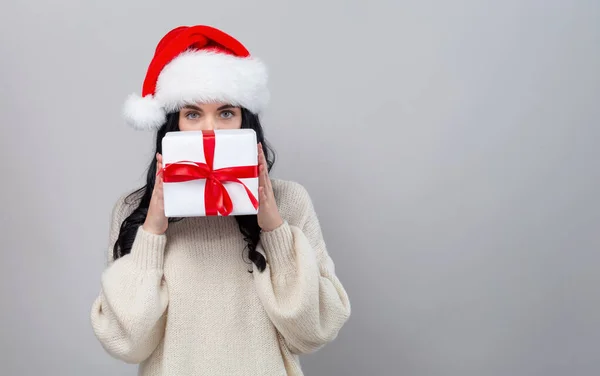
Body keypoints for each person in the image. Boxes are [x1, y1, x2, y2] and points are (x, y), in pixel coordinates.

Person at [90, 25, 351, 376]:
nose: (209, 129)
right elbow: (127, 342)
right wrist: (152, 231)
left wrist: (273, 227)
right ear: (173, 125)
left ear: (246, 121)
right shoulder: (132, 211)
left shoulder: (289, 201)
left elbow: (316, 330)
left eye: (226, 113)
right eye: (193, 114)